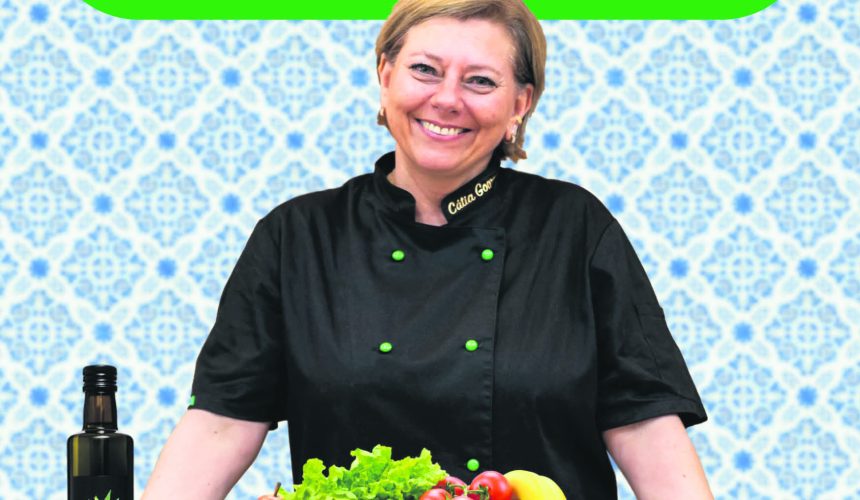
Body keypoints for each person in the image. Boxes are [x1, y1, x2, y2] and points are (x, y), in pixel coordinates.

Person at [143, 0, 713, 498]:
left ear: (521, 103)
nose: (447, 99)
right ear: (385, 73)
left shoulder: (574, 228)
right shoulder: (297, 236)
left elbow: (645, 423)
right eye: (425, 70)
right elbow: (222, 422)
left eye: (480, 81)